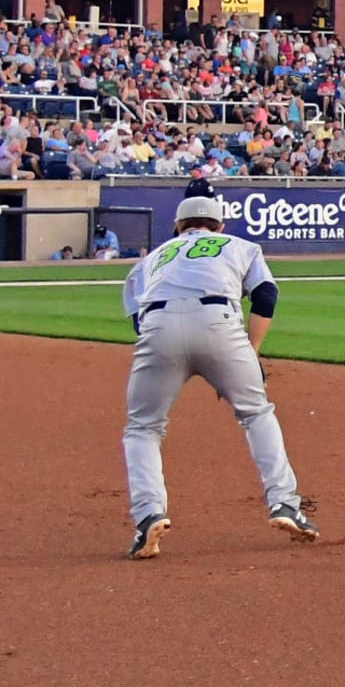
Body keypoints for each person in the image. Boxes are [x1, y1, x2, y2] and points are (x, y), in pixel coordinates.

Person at [118, 196, 320, 559]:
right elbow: (266, 295)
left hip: (158, 327)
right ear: (220, 227)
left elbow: (138, 321)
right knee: (256, 413)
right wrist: (250, 353)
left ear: (177, 227)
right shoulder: (241, 246)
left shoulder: (150, 260)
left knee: (143, 428)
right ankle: (285, 504)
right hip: (220, 324)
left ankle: (148, 515)